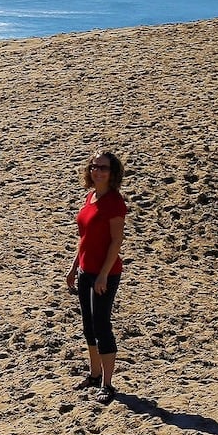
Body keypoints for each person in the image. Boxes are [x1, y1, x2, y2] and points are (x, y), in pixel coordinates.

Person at [65, 150, 128, 403]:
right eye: (94, 166)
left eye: (103, 168)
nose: (98, 171)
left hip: (105, 274)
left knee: (102, 326)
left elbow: (116, 242)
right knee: (89, 327)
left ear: (112, 173)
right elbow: (84, 240)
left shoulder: (114, 202)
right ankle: (94, 374)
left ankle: (108, 384)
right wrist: (73, 268)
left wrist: (103, 274)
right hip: (85, 271)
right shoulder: (90, 197)